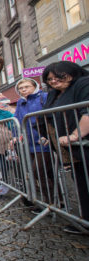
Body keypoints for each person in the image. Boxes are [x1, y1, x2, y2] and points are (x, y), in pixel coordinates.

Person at [40, 61, 89, 234]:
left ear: (72, 72)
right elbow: (48, 117)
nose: (53, 81)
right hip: (70, 149)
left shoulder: (83, 84)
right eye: (50, 78)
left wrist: (76, 134)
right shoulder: (54, 94)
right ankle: (85, 221)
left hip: (82, 143)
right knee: (82, 183)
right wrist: (47, 135)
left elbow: (87, 111)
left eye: (59, 76)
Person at [13, 79, 54, 206]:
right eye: (21, 88)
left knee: (39, 171)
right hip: (28, 143)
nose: (23, 90)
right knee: (40, 172)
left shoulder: (44, 97)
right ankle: (53, 199)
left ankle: (51, 202)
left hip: (43, 142)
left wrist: (49, 135)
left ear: (35, 86)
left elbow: (52, 116)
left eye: (26, 87)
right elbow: (17, 120)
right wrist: (16, 135)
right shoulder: (21, 102)